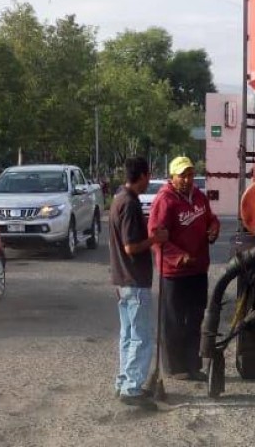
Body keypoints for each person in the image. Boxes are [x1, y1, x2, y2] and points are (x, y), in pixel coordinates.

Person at [147, 156, 220, 381]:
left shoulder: (199, 197)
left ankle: (192, 364)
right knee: (174, 321)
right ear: (173, 177)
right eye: (183, 175)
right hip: (175, 273)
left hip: (198, 269)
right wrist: (178, 257)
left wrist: (214, 229)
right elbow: (155, 236)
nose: (188, 179)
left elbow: (211, 219)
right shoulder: (165, 200)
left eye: (190, 174)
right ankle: (175, 367)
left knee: (195, 318)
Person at [109, 156, 168, 409]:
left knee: (128, 335)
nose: (148, 181)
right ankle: (132, 388)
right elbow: (131, 246)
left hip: (122, 279)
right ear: (143, 175)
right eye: (148, 176)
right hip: (133, 279)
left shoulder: (117, 198)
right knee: (141, 336)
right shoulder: (130, 204)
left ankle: (124, 381)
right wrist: (156, 238)